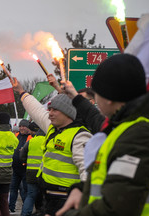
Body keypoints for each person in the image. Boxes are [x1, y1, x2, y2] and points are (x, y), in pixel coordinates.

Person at [55, 54, 149, 216]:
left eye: (96, 93)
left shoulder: (140, 136)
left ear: (109, 98)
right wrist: (83, 189)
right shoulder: (127, 126)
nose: (95, 100)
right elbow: (97, 121)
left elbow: (117, 208)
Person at [13, 79, 92, 216]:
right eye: (49, 109)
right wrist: (21, 92)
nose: (50, 113)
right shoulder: (52, 128)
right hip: (48, 197)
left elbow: (88, 170)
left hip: (67, 200)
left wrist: (82, 197)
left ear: (67, 112)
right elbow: (36, 109)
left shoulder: (80, 136)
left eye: (55, 110)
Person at [19, 122, 46, 216]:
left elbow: (22, 155)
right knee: (44, 196)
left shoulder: (31, 141)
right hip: (44, 173)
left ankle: (25, 214)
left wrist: (26, 162)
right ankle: (41, 212)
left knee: (30, 195)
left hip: (30, 172)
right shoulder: (48, 141)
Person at [9, 119, 32, 213]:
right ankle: (11, 207)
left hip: (25, 169)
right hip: (15, 168)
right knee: (13, 189)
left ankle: (25, 208)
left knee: (25, 191)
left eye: (24, 126)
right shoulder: (16, 135)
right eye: (20, 126)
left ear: (28, 127)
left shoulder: (31, 137)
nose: (22, 128)